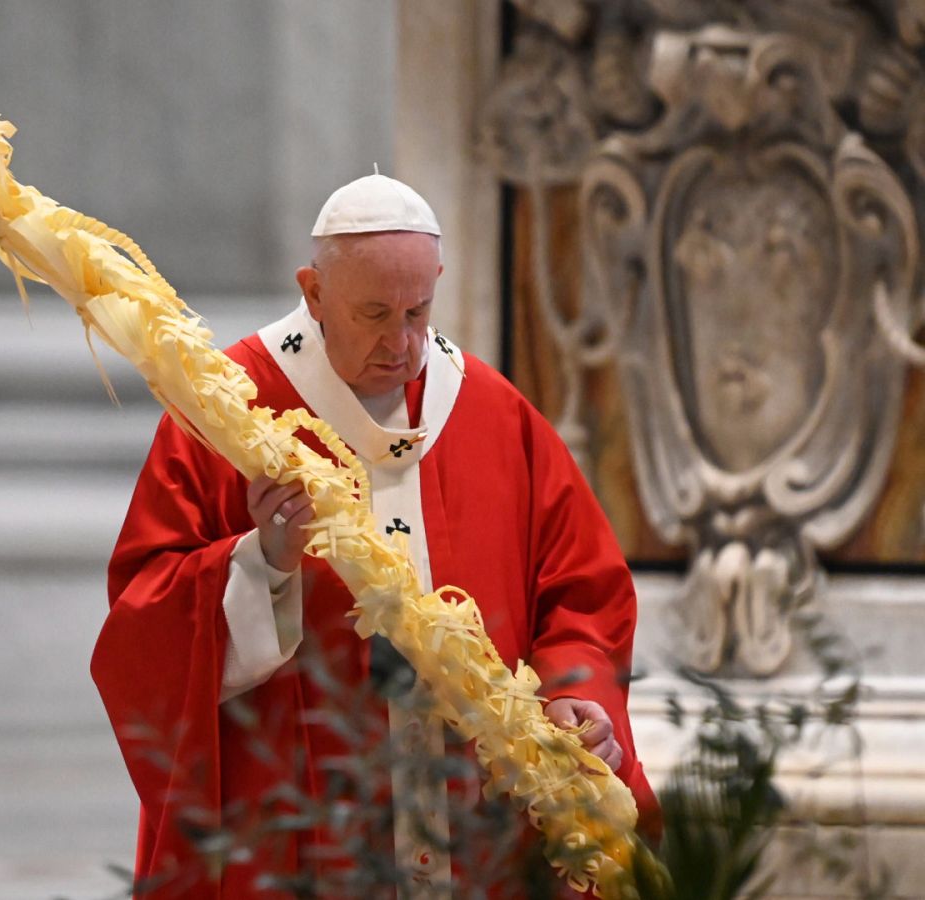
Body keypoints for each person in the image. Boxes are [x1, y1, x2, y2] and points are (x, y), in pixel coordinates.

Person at [91, 174, 660, 898]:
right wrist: (262, 561)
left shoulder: (490, 411)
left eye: (418, 312)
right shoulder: (226, 405)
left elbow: (581, 593)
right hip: (302, 828)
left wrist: (579, 692)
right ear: (314, 292)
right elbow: (143, 625)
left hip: (474, 827)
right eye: (374, 314)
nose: (402, 343)